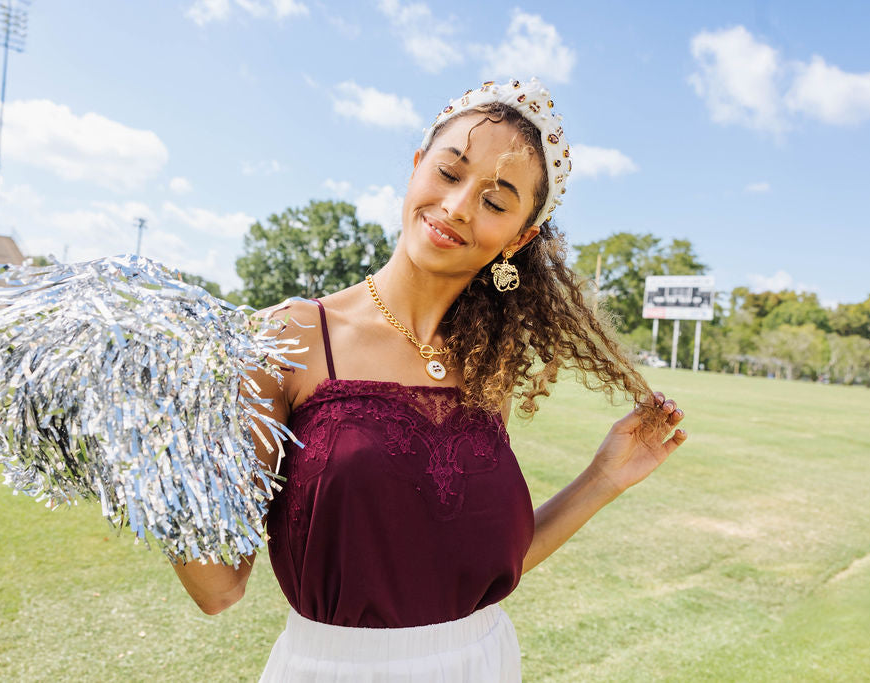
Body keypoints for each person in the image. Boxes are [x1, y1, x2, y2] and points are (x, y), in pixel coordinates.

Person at [171, 78, 687, 681]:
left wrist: (603, 478)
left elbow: (478, 569)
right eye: (449, 172)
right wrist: (162, 455)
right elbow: (217, 588)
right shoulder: (290, 337)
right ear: (416, 168)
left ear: (517, 240)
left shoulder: (484, 366)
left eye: (496, 203)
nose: (460, 206)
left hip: (486, 662)